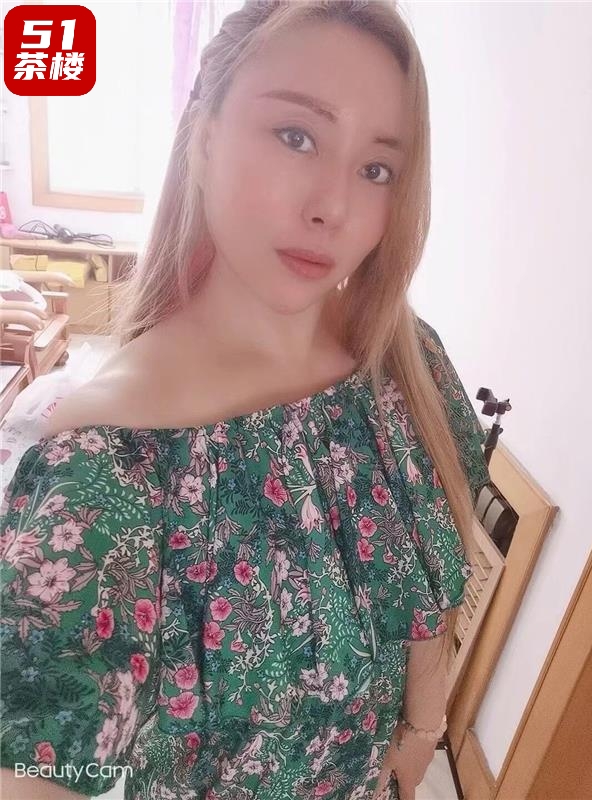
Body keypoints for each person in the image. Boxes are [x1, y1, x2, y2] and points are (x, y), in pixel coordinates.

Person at [0, 2, 490, 798]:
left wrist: (422, 733)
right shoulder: (105, 467)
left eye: (377, 170)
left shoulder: (406, 360)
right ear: (202, 137)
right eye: (297, 136)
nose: (332, 207)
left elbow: (433, 580)